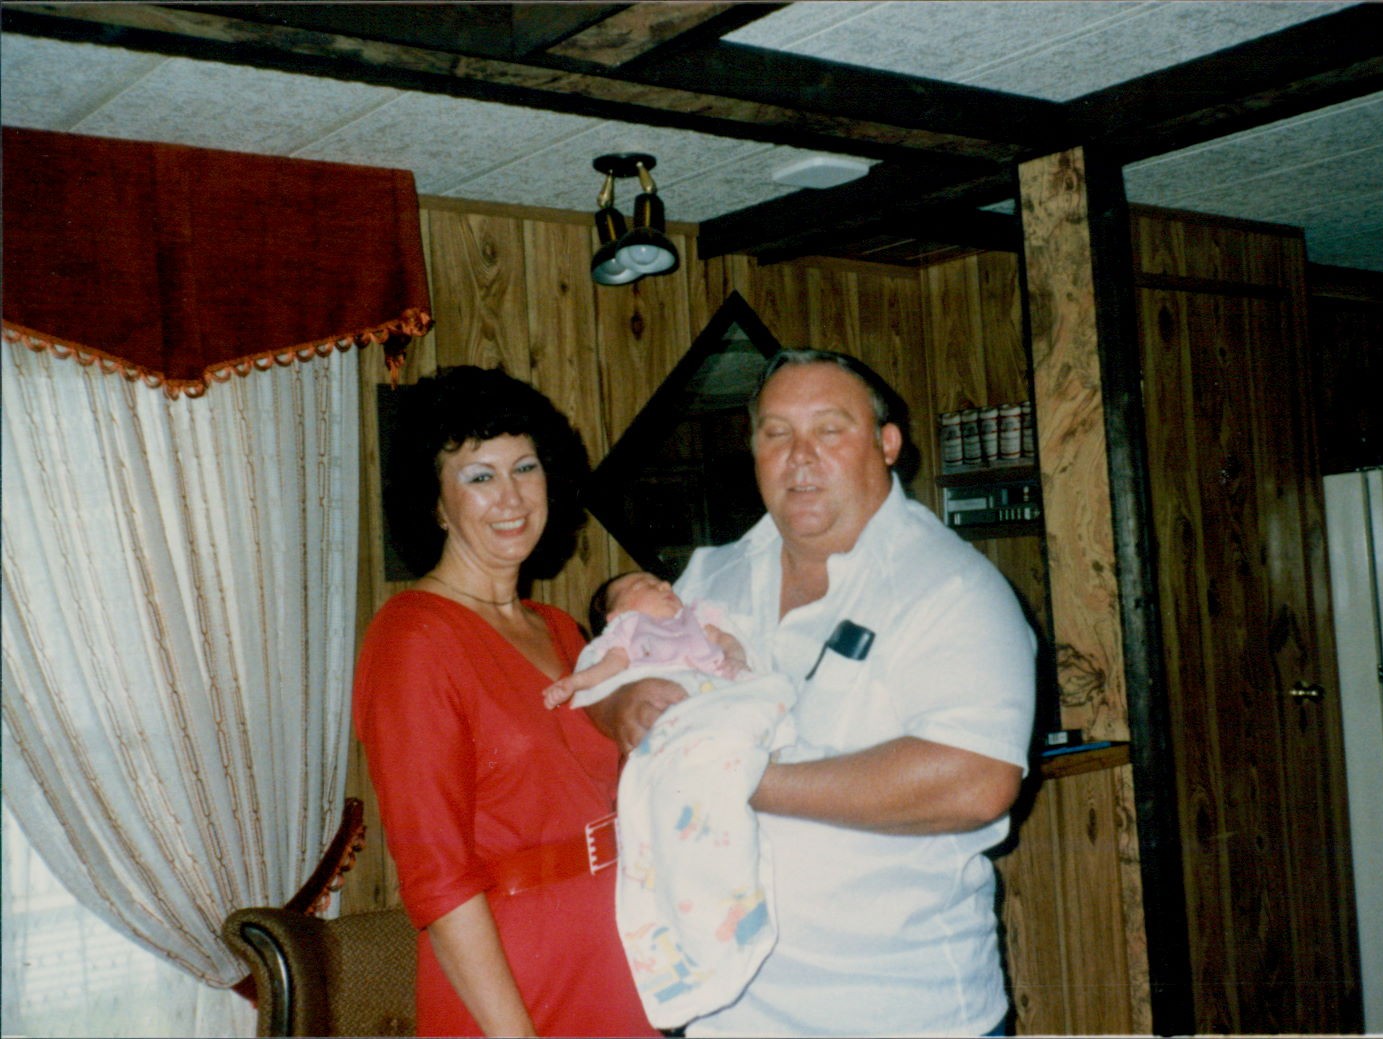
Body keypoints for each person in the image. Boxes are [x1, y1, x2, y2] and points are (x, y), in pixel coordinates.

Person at [587, 349, 1037, 1037]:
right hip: (724, 1013)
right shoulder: (710, 574)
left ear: (888, 444)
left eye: (830, 429)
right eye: (776, 432)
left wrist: (743, 777)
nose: (800, 456)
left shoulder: (953, 586)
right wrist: (620, 706)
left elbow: (976, 781)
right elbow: (602, 675)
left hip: (905, 1015)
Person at [352, 365, 657, 1038]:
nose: (511, 497)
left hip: (620, 952)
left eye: (525, 467)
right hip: (512, 979)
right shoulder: (411, 637)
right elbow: (437, 878)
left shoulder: (561, 629)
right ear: (436, 502)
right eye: (479, 476)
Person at [542, 571, 751, 710]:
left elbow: (725, 639)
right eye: (646, 585)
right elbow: (610, 665)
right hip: (672, 699)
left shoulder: (695, 617)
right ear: (617, 615)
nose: (665, 585)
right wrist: (573, 683)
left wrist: (735, 660)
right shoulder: (630, 628)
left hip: (719, 689)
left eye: (663, 583)